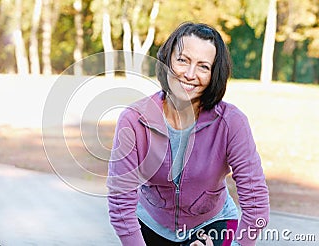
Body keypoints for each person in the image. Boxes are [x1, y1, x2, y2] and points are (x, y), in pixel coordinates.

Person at [107, 22, 270, 246]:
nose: (190, 74)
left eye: (204, 66)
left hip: (213, 224)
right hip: (151, 225)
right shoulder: (134, 120)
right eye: (182, 60)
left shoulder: (232, 122)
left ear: (215, 74)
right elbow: (120, 202)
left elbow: (256, 203)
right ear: (167, 60)